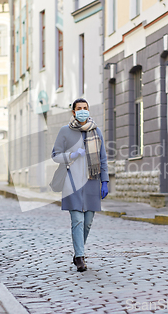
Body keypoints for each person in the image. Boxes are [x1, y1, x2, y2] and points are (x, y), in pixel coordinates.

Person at [51, 98, 109, 272]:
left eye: (85, 108)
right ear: (74, 112)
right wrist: (72, 155)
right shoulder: (65, 131)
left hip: (92, 182)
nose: (83, 111)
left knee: (88, 222)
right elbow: (55, 155)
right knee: (77, 220)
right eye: (79, 108)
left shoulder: (96, 131)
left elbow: (103, 158)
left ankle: (78, 251)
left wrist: (105, 181)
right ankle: (80, 258)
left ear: (88, 110)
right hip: (72, 182)